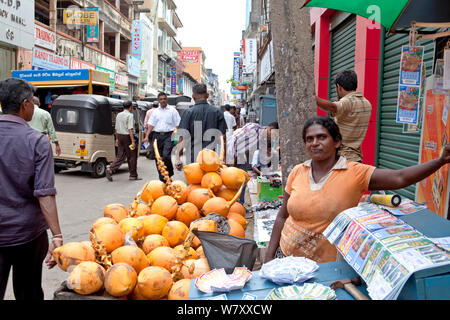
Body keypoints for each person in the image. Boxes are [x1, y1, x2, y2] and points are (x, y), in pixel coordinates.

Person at [265, 116, 450, 264]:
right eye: (309, 139)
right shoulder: (298, 171)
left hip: (325, 267)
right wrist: (268, 257)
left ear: (336, 142)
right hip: (286, 258)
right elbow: (282, 216)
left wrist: (439, 161)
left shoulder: (355, 173)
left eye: (322, 137)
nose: (314, 143)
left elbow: (399, 177)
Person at [0, 78, 63, 300]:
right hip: (27, 234)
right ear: (25, 104)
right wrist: (57, 235)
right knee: (29, 292)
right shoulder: (37, 141)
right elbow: (45, 192)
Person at [315, 70, 372, 163]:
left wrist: (314, 98)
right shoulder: (366, 103)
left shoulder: (347, 102)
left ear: (339, 87)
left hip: (343, 159)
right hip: (356, 159)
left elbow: (333, 107)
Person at [175, 84, 227, 169]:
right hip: (211, 159)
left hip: (192, 159)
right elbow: (223, 137)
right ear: (207, 95)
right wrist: (223, 158)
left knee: (193, 181)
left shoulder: (188, 113)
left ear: (193, 96)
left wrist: (177, 158)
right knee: (210, 181)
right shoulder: (217, 112)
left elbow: (181, 137)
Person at [144, 92, 181, 182]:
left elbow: (178, 124)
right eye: (161, 99)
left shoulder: (173, 111)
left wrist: (178, 136)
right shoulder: (155, 112)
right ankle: (162, 177)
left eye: (164, 99)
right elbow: (151, 125)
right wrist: (147, 136)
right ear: (158, 101)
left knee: (166, 155)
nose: (163, 100)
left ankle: (169, 173)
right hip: (157, 136)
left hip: (169, 135)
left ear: (166, 99)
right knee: (158, 157)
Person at [106, 100, 141, 181]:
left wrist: (117, 139)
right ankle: (133, 175)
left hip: (120, 136)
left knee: (120, 155)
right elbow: (130, 129)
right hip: (128, 137)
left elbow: (116, 128)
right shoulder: (130, 115)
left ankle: (110, 168)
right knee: (132, 156)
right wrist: (132, 141)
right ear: (130, 107)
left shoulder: (119, 115)